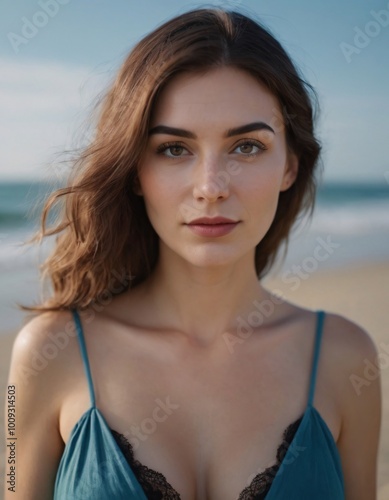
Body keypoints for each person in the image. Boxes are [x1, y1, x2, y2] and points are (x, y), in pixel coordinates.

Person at [4, 7, 381, 500]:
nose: (210, 188)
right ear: (135, 169)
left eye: (246, 146)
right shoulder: (46, 355)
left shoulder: (345, 357)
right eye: (174, 149)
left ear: (290, 164)